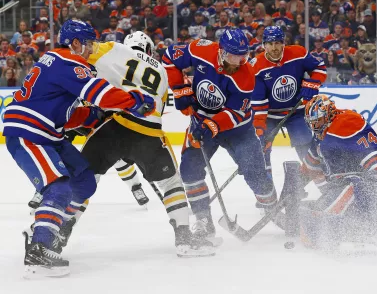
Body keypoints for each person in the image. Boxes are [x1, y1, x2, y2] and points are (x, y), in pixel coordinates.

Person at [3, 20, 155, 278]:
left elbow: (64, 113)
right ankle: (40, 246)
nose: (91, 48)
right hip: (29, 133)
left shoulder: (57, 62)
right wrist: (134, 99)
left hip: (49, 131)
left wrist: (93, 116)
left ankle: (50, 226)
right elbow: (102, 94)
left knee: (84, 180)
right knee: (59, 185)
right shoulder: (68, 61)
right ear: (75, 43)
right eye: (89, 43)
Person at [59, 31, 215, 257]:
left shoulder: (116, 50)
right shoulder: (160, 69)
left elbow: (86, 56)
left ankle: (58, 232)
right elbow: (157, 111)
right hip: (148, 131)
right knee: (171, 183)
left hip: (115, 127)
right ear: (150, 49)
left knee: (84, 180)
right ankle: (184, 237)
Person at [162, 29, 275, 241]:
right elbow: (169, 56)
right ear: (221, 52)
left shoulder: (246, 76)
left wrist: (210, 126)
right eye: (234, 56)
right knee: (190, 170)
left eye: (244, 56)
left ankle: (272, 207)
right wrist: (179, 89)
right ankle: (203, 220)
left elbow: (235, 113)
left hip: (238, 130)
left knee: (255, 173)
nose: (239, 62)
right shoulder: (200, 50)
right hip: (201, 121)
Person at [299, 95, 377, 248]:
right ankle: (366, 223)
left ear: (329, 115)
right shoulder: (327, 130)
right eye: (312, 122)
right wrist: (299, 179)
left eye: (318, 121)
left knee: (350, 184)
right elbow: (312, 162)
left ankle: (361, 225)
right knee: (343, 184)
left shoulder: (345, 122)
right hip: (365, 175)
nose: (314, 126)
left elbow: (324, 153)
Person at [251, 26, 327, 201]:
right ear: (263, 45)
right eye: (270, 44)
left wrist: (312, 83)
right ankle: (267, 195)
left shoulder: (298, 53)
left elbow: (320, 67)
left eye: (278, 43)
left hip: (296, 112)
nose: (274, 47)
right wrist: (260, 129)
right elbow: (259, 103)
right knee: (262, 151)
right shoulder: (256, 66)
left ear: (284, 43)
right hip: (269, 115)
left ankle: (326, 188)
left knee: (306, 147)